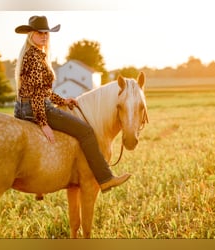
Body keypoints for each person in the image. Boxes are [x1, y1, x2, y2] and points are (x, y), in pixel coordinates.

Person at [13, 15, 131, 193]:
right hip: (37, 109)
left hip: (22, 108)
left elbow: (42, 90)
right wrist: (43, 122)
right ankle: (105, 178)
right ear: (31, 35)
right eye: (39, 33)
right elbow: (38, 93)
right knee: (86, 131)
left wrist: (63, 101)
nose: (44, 36)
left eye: (46, 33)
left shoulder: (32, 55)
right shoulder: (35, 57)